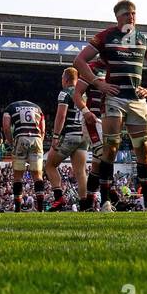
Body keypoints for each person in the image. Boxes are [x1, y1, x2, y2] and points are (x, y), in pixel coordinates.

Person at [74, 0, 147, 211]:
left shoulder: (142, 39)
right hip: (114, 99)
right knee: (111, 148)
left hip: (137, 100)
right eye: (126, 14)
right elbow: (79, 60)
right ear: (117, 17)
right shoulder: (106, 36)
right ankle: (105, 202)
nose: (131, 17)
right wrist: (98, 83)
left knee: (144, 149)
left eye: (133, 13)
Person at [46, 68, 100, 211]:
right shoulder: (84, 94)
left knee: (50, 165)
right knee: (80, 172)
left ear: (65, 79)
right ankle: (84, 204)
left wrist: (56, 136)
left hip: (70, 134)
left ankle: (59, 199)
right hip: (83, 136)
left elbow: (61, 115)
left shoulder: (65, 92)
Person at [2, 98, 46, 212]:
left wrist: (11, 142)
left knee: (18, 177)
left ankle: (17, 209)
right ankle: (40, 209)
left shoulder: (10, 107)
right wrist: (40, 141)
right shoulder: (38, 108)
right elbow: (43, 129)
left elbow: (6, 127)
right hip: (36, 139)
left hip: (20, 138)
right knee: (38, 176)